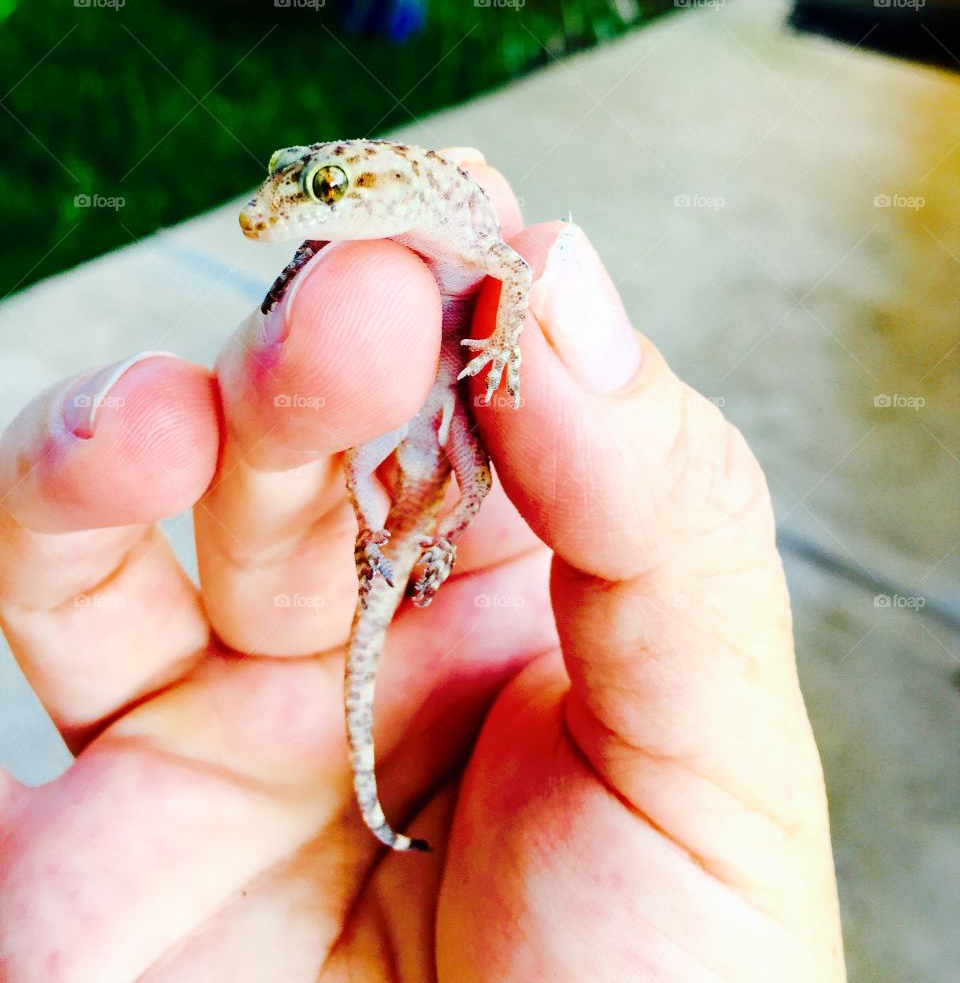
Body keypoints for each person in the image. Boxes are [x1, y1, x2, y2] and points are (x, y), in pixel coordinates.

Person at [0, 150, 846, 980]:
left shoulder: (453, 220)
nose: (292, 208)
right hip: (407, 410)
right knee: (350, 442)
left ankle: (424, 550)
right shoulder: (374, 249)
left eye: (326, 189)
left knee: (461, 472)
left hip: (448, 415)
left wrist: (505, 345)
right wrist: (302, 258)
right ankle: (385, 552)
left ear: (389, 189)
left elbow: (512, 270)